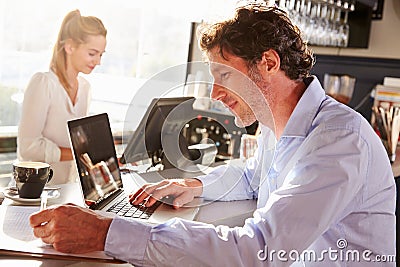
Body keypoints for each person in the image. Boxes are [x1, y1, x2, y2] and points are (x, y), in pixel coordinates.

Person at [29, 4, 396, 266]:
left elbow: (258, 251)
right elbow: (254, 176)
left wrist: (106, 233)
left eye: (224, 76)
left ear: (268, 63)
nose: (216, 94)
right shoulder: (278, 126)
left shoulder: (339, 141)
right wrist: (196, 186)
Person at [17, 10, 107, 185]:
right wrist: (76, 153)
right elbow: (29, 148)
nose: (98, 62)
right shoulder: (43, 83)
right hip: (34, 193)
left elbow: (77, 142)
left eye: (101, 54)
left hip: (68, 191)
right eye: (92, 53)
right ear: (70, 47)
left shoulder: (85, 88)